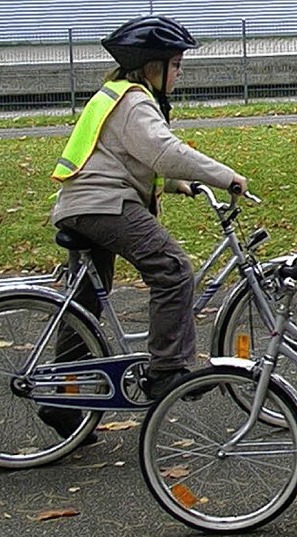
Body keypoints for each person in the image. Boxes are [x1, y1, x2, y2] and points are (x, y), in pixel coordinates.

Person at [39, 15, 248, 442]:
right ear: (153, 66)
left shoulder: (114, 96)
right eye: (176, 63)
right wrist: (225, 176)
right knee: (172, 268)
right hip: (104, 206)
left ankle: (63, 400)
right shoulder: (135, 101)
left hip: (82, 205)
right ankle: (167, 371)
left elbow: (121, 156)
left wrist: (177, 185)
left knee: (84, 305)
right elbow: (163, 150)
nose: (180, 72)